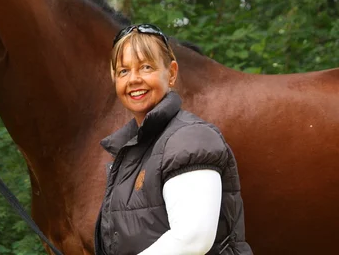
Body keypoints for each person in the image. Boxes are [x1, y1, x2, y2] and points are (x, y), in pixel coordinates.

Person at [94, 24, 252, 255]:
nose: (134, 79)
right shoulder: (134, 150)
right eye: (123, 71)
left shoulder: (191, 139)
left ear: (172, 73)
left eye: (146, 67)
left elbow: (192, 239)